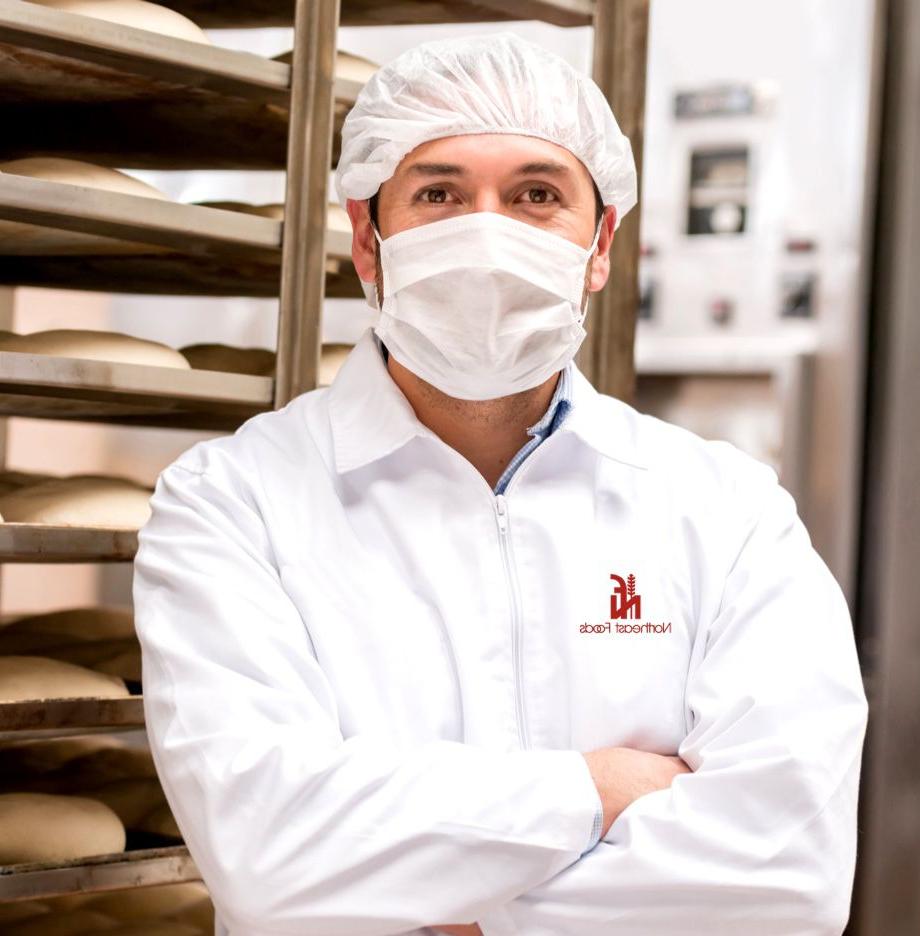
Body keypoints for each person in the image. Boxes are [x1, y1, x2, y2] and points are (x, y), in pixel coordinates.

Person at [133, 32, 869, 936]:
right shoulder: (231, 503)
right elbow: (271, 857)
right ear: (368, 239)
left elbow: (789, 877)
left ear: (599, 245)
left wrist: (466, 915)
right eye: (439, 194)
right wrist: (600, 786)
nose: (486, 233)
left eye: (536, 195)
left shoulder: (728, 513)